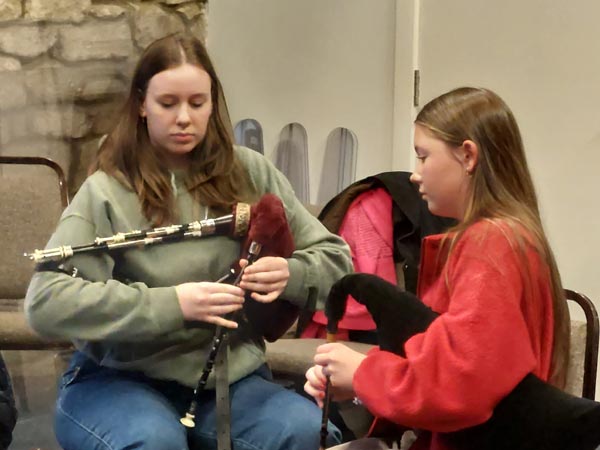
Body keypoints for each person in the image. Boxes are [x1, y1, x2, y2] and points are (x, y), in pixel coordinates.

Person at [24, 34, 352, 450]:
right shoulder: (107, 189)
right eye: (168, 104)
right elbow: (46, 301)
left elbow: (337, 263)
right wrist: (173, 305)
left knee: (302, 431)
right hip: (119, 381)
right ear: (142, 104)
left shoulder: (250, 171)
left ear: (213, 103)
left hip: (231, 382)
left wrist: (291, 273)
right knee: (154, 441)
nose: (184, 117)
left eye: (197, 103)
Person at [304, 87, 570, 450]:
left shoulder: (490, 246)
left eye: (423, 156)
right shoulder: (512, 236)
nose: (414, 175)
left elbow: (459, 385)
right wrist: (358, 384)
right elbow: (453, 360)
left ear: (468, 155)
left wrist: (365, 373)